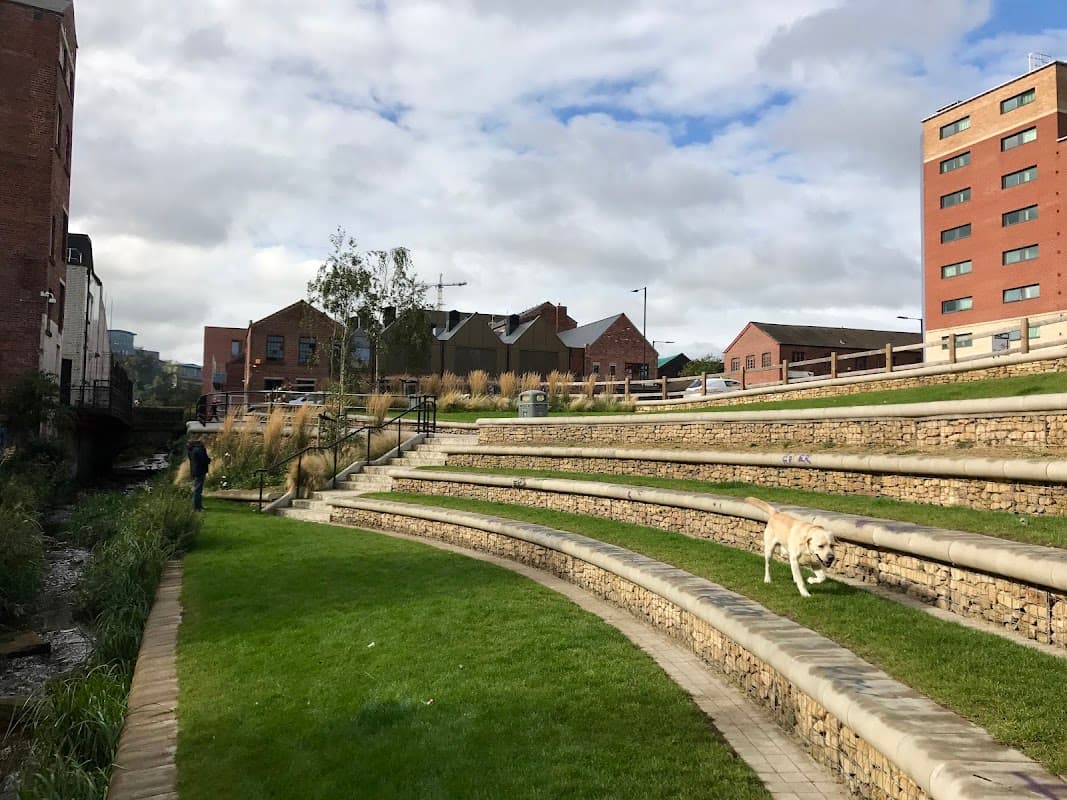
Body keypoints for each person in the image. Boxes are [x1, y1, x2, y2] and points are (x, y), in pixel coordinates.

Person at [187, 438, 211, 512]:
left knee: (197, 489)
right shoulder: (199, 449)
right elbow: (203, 460)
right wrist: (209, 460)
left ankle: (199, 506)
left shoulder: (191, 449)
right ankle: (197, 508)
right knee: (198, 490)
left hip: (194, 471)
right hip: (200, 471)